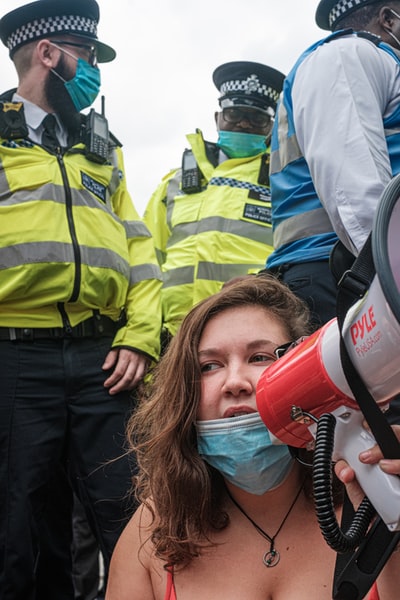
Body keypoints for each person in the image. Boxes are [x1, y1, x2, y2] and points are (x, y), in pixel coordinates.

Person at [0, 1, 162, 598]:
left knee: (136, 523)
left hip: (104, 364)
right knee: (21, 539)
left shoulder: (105, 150)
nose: (93, 70)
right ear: (48, 55)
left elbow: (142, 257)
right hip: (14, 362)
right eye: (87, 56)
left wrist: (141, 337)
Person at [105, 275, 400, 599]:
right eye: (209, 366)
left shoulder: (368, 500)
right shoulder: (152, 531)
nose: (235, 382)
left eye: (260, 357)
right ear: (184, 397)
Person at [266, 0, 400, 329]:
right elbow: (355, 194)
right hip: (346, 273)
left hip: (355, 269)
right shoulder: (348, 54)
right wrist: (390, 274)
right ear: (388, 19)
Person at [143, 61, 285, 343]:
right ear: (218, 118)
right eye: (235, 114)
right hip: (173, 337)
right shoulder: (175, 182)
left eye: (256, 118)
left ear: (270, 127)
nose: (243, 124)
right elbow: (147, 263)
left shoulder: (282, 181)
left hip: (248, 336)